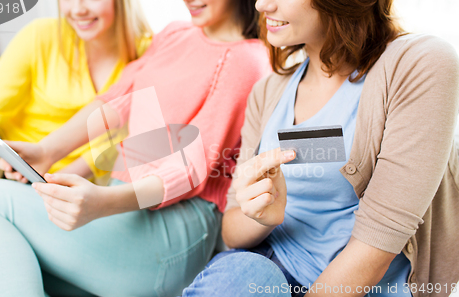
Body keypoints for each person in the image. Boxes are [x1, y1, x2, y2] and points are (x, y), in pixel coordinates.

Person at [0, 0, 271, 296]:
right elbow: (118, 100)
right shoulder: (176, 33)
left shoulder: (247, 60)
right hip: (120, 206)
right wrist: (46, 151)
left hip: (172, 232)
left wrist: (103, 202)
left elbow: (190, 168)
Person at [182, 0, 459, 296]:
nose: (261, 4)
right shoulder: (267, 92)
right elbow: (231, 230)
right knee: (242, 276)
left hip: (354, 286)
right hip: (260, 268)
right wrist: (261, 217)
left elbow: (378, 242)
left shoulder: (420, 63)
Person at [0, 0, 152, 184]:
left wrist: (56, 182)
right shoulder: (40, 36)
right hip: (18, 171)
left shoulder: (150, 54)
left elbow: (124, 140)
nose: (78, 10)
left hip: (84, 184)